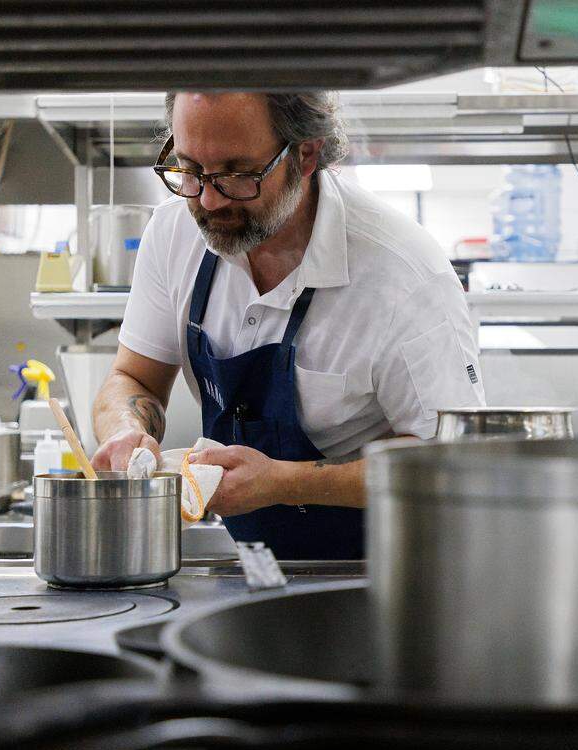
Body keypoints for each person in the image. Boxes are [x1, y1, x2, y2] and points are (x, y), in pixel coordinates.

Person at [91, 91, 483, 560]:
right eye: (190, 169)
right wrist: (125, 431)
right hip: (250, 563)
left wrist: (285, 483)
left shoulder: (403, 276)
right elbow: (133, 378)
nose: (210, 200)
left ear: (307, 153)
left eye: (237, 174)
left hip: (377, 571)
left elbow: (450, 462)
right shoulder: (174, 232)